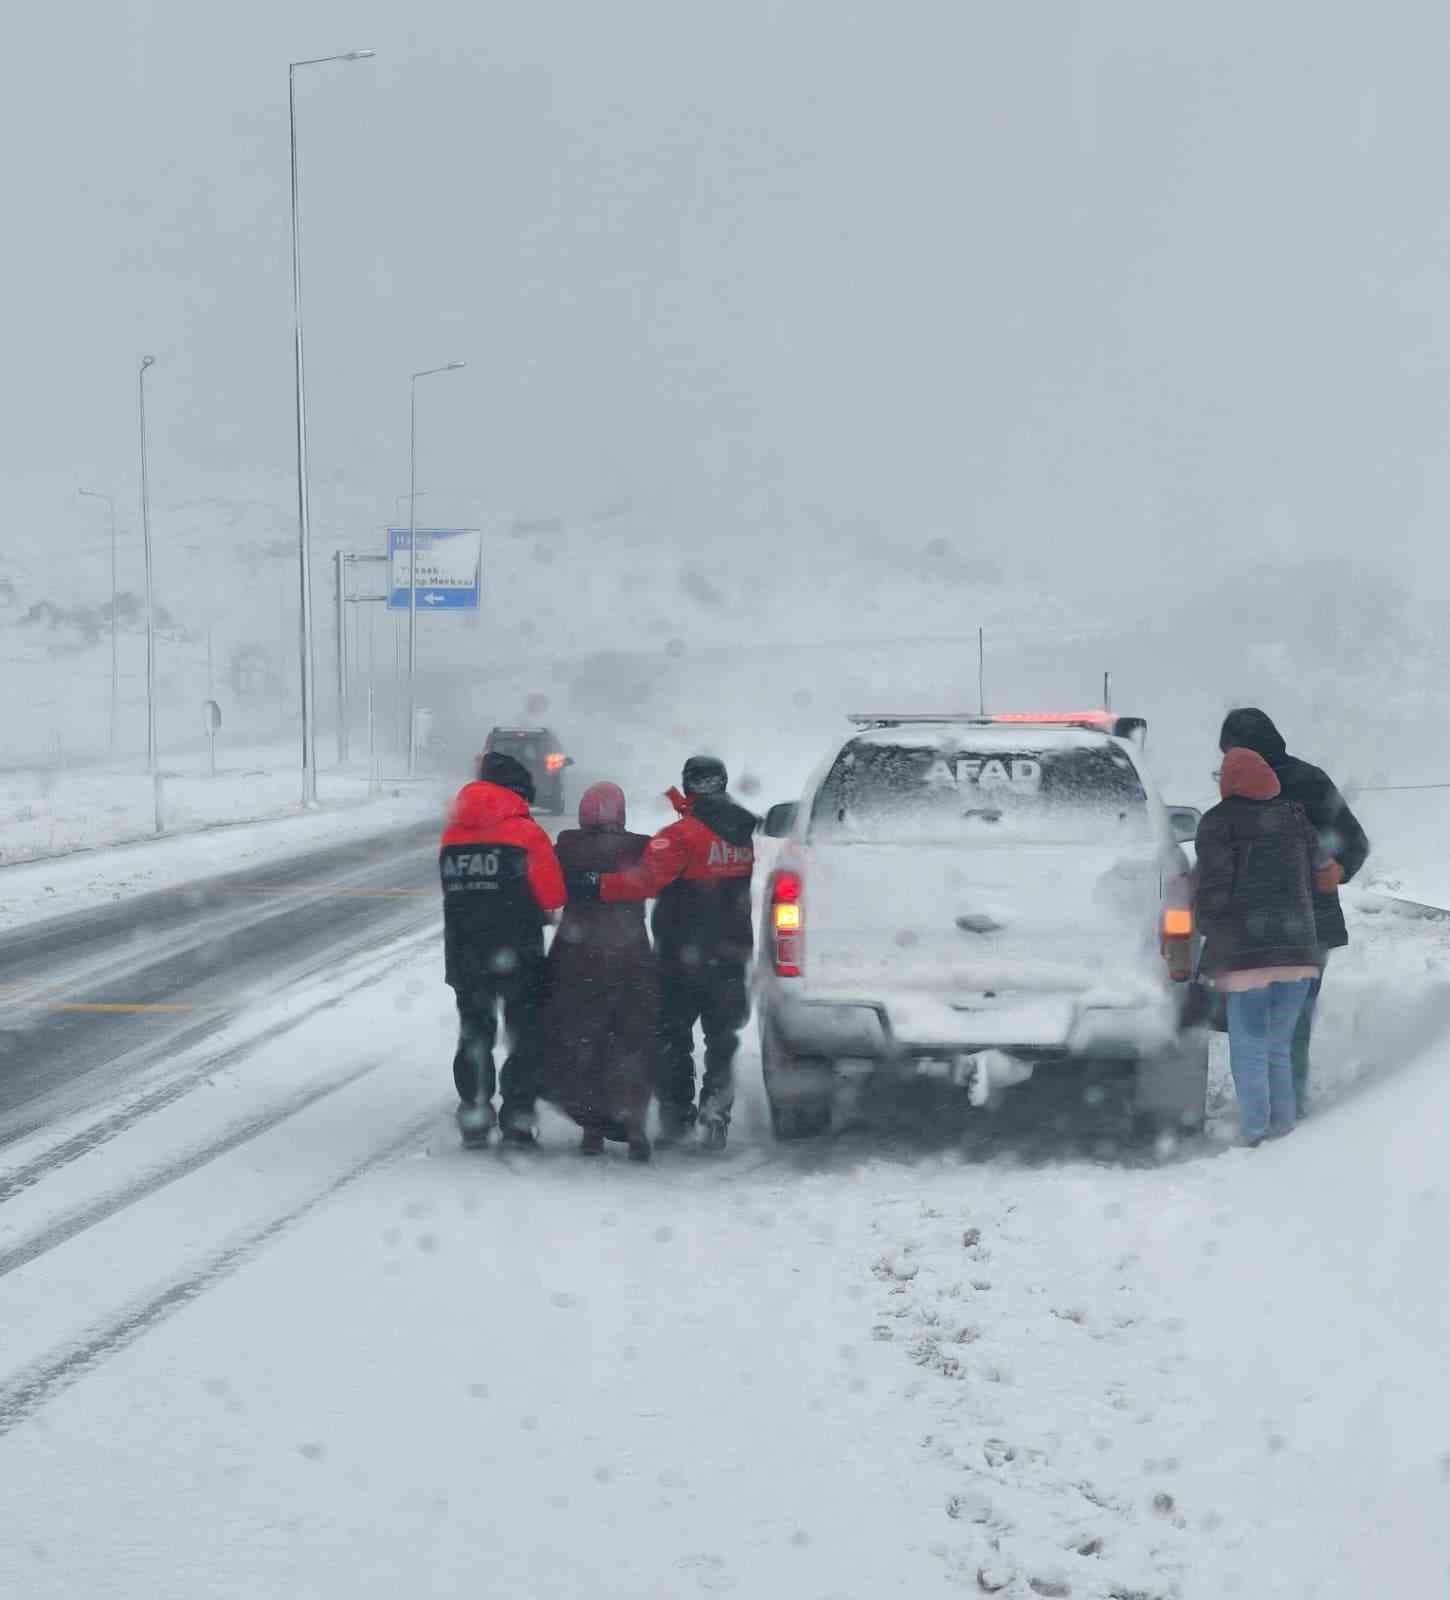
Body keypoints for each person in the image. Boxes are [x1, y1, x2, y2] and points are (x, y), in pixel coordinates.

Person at [567, 756, 758, 1152]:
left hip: (681, 955)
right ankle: (716, 1114)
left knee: (673, 1036)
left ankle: (677, 1115)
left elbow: (642, 882)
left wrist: (592, 883)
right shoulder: (741, 833)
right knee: (722, 1038)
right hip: (732, 951)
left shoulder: (678, 836)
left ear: (689, 786)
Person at [1217, 708, 1369, 1110]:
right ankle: (1286, 1108)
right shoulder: (1311, 781)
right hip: (1309, 925)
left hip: (1265, 928)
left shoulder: (1277, 787)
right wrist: (1336, 869)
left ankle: (1266, 1111)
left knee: (1255, 1021)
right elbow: (1354, 843)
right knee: (1291, 1022)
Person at [1195, 747, 1324, 1145]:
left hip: (1246, 958)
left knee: (1249, 1048)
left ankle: (1254, 1133)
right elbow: (1321, 871)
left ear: (1229, 782)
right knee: (1277, 1048)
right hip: (1299, 954)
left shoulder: (1219, 823)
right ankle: (1282, 1130)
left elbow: (1215, 887)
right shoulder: (1296, 818)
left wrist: (1205, 924)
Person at [439, 750, 565, 1148]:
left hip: (464, 952)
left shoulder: (452, 834)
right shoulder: (526, 834)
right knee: (523, 1036)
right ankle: (518, 1121)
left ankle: (475, 1115)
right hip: (518, 952)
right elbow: (553, 895)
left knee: (475, 1033)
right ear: (515, 792)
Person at [538, 783, 658, 1163]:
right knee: (630, 1041)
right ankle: (635, 1125)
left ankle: (593, 1130)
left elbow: (548, 889)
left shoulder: (567, 847)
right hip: (632, 958)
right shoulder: (642, 847)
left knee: (586, 1041)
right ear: (621, 814)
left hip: (578, 960)